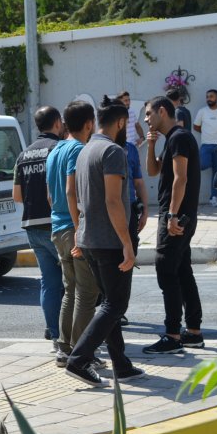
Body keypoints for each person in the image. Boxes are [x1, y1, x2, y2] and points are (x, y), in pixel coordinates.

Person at [64, 99, 143, 386]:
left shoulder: (85, 150)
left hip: (89, 239)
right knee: (115, 304)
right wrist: (127, 243)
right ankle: (78, 360)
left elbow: (72, 193)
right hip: (108, 241)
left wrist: (77, 232)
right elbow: (113, 200)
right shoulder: (112, 151)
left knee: (110, 302)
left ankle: (120, 363)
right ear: (121, 123)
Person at [143, 96, 205, 353]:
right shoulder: (171, 139)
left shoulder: (179, 137)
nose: (146, 119)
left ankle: (172, 335)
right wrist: (150, 146)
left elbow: (180, 179)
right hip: (179, 215)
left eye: (148, 114)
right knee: (181, 271)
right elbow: (153, 171)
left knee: (166, 270)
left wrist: (171, 215)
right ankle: (193, 332)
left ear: (161, 111)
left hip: (176, 217)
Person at [45, 101, 99, 369]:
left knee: (71, 291)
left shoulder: (55, 150)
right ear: (89, 124)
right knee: (87, 294)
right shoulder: (78, 149)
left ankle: (64, 348)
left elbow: (50, 193)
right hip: (73, 229)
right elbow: (70, 191)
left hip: (57, 228)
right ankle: (81, 355)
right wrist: (79, 230)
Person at [13, 106, 64, 349]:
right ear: (57, 123)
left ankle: (55, 336)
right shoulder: (59, 149)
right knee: (74, 283)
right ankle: (71, 338)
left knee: (50, 282)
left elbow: (16, 195)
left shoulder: (23, 155)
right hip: (58, 224)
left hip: (32, 225)